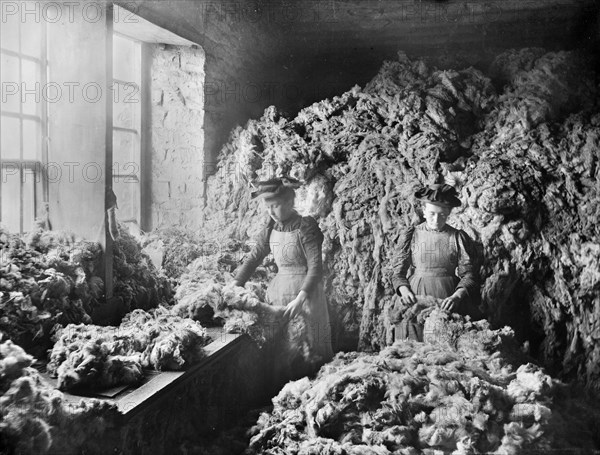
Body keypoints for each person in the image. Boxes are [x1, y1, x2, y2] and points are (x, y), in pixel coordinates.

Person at [232, 177, 334, 386]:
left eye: (275, 206)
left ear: (289, 203)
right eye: (267, 207)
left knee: (307, 351)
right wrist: (235, 285)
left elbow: (315, 268)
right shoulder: (271, 226)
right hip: (278, 296)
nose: (271, 211)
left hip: (305, 297)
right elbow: (254, 257)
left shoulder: (306, 226)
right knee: (280, 352)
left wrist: (300, 300)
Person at [391, 183, 480, 341]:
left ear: (448, 214)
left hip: (446, 297)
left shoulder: (458, 237)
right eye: (432, 213)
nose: (437, 219)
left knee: (443, 346)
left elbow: (469, 275)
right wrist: (404, 291)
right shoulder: (411, 235)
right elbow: (398, 273)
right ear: (424, 211)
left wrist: (457, 297)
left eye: (442, 215)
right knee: (412, 349)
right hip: (415, 296)